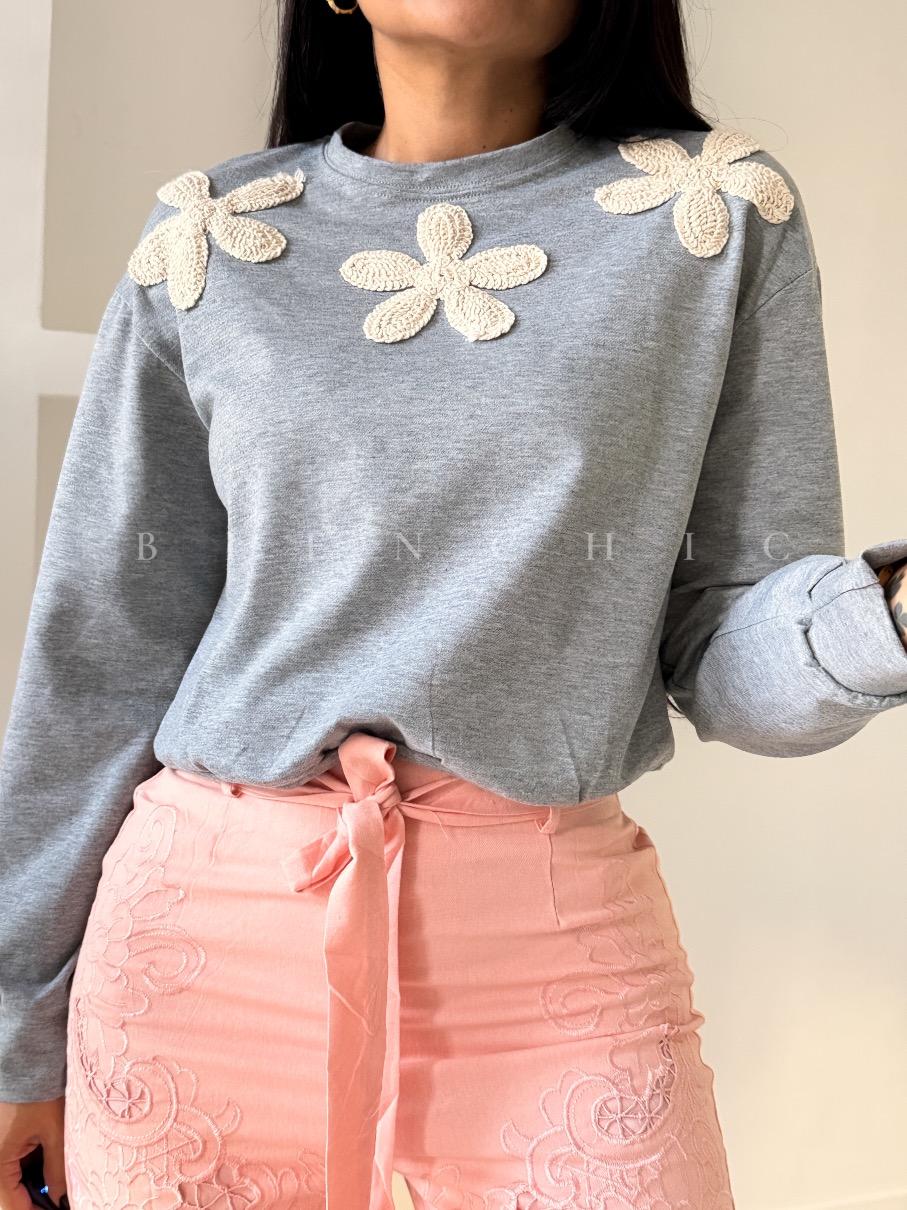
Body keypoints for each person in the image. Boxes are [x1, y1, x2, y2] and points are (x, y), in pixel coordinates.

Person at [2, 1, 907, 1207]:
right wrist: (13, 1029)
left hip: (553, 962)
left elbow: (724, 637)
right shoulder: (208, 235)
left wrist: (883, 619)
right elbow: (100, 655)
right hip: (195, 956)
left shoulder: (716, 213)